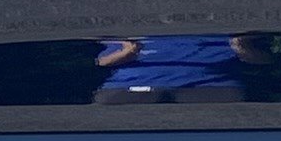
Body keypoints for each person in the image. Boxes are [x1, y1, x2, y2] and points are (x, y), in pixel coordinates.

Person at [92, 33, 267, 103]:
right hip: (129, 86)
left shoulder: (230, 22)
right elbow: (103, 62)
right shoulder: (128, 23)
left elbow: (262, 60)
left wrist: (241, 47)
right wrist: (129, 52)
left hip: (210, 86)